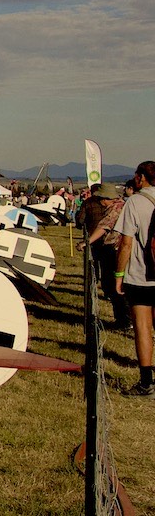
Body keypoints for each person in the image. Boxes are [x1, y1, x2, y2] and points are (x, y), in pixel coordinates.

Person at [113, 161, 155, 396]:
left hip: (141, 275)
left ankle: (146, 382)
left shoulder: (135, 202)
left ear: (140, 178)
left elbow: (126, 243)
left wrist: (119, 275)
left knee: (142, 327)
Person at [80, 183, 129, 329]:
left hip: (115, 250)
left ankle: (124, 321)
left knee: (114, 286)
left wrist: (86, 242)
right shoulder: (124, 205)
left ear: (108, 198)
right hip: (119, 250)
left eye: (101, 198)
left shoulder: (116, 209)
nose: (100, 201)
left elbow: (104, 227)